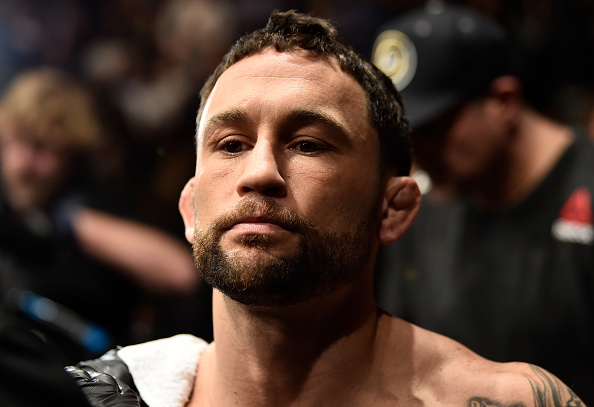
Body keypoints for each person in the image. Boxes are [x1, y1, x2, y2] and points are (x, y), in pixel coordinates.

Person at [66, 10, 584, 407]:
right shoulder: (98, 394)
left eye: (309, 144)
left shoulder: (501, 399)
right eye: (230, 144)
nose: (259, 171)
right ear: (189, 211)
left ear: (394, 209)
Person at [371, 1, 594, 402]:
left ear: (504, 101)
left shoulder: (585, 193)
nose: (417, 154)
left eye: (433, 129)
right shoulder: (417, 207)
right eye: (405, 136)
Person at [0, 67, 202, 364]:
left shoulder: (97, 203)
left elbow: (180, 273)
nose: (20, 165)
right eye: (10, 144)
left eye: (40, 148)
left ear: (72, 152)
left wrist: (63, 222)